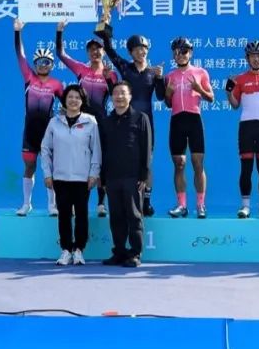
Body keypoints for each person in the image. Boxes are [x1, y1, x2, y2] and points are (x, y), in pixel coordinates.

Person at [100, 29, 166, 216]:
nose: (141, 52)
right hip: (126, 121)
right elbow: (110, 51)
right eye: (136, 49)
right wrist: (106, 33)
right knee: (124, 158)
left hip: (146, 122)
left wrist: (160, 78)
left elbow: (161, 96)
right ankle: (124, 199)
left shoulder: (153, 72)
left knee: (146, 162)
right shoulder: (125, 67)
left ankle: (147, 201)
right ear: (130, 52)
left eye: (143, 48)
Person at [57, 22, 118, 217]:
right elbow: (61, 54)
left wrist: (108, 78)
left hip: (100, 123)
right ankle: (77, 203)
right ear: (87, 53)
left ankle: (101, 203)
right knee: (80, 160)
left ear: (103, 52)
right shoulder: (81, 69)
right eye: (91, 49)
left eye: (98, 49)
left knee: (101, 162)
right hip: (81, 122)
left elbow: (115, 95)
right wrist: (60, 31)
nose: (95, 52)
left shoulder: (110, 73)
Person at [39, 84, 101, 266]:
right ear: (64, 100)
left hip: (82, 178)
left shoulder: (91, 122)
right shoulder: (54, 122)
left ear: (82, 101)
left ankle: (79, 249)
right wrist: (47, 173)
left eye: (77, 97)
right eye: (70, 97)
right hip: (60, 177)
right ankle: (66, 250)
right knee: (64, 215)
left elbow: (96, 150)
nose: (73, 100)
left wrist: (94, 174)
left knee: (81, 214)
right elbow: (45, 149)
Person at [13, 19, 65, 216]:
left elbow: (70, 103)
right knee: (29, 167)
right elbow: (20, 55)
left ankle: (52, 205)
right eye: (39, 62)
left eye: (47, 62)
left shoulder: (56, 84)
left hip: (48, 132)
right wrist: (17, 32)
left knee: (50, 168)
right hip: (30, 132)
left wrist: (64, 115)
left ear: (52, 65)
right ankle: (26, 204)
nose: (43, 65)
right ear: (34, 64)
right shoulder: (29, 78)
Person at [226, 40, 259, 219]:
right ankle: (245, 207)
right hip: (246, 127)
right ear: (247, 58)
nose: (256, 59)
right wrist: (228, 92)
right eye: (253, 56)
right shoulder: (240, 79)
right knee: (246, 168)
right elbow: (235, 105)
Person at [100, 82, 152, 267]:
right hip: (112, 176)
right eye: (115, 93)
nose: (119, 97)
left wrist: (144, 176)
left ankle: (135, 253)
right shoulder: (106, 121)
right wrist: (103, 177)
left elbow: (146, 148)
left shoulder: (140, 118)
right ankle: (119, 252)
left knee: (134, 216)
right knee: (116, 217)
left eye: (123, 93)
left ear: (130, 96)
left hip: (133, 177)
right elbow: (103, 150)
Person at [165, 37, 214, 218]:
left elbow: (211, 98)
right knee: (179, 163)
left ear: (190, 53)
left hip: (194, 120)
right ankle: (181, 205)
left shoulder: (200, 72)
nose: (180, 55)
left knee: (197, 163)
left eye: (184, 51)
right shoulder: (170, 76)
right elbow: (168, 103)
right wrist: (168, 94)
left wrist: (199, 89)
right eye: (177, 52)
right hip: (177, 120)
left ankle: (201, 205)